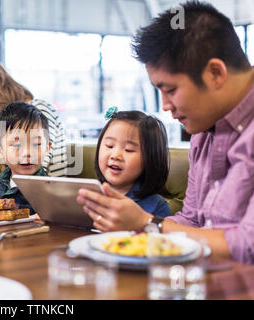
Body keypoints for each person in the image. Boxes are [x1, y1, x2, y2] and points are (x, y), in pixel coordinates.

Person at [76, 1, 254, 263]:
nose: (165, 105)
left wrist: (147, 223)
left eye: (169, 90)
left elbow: (248, 247)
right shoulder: (203, 134)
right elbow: (191, 220)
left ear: (215, 73)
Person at [94, 110, 171, 217]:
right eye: (109, 146)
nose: (115, 155)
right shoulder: (90, 195)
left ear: (150, 158)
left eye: (128, 150)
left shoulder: (156, 206)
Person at [0, 102, 52, 215]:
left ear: (47, 148)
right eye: (16, 145)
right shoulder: (3, 179)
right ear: (0, 151)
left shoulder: (46, 189)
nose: (27, 153)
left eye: (36, 144)